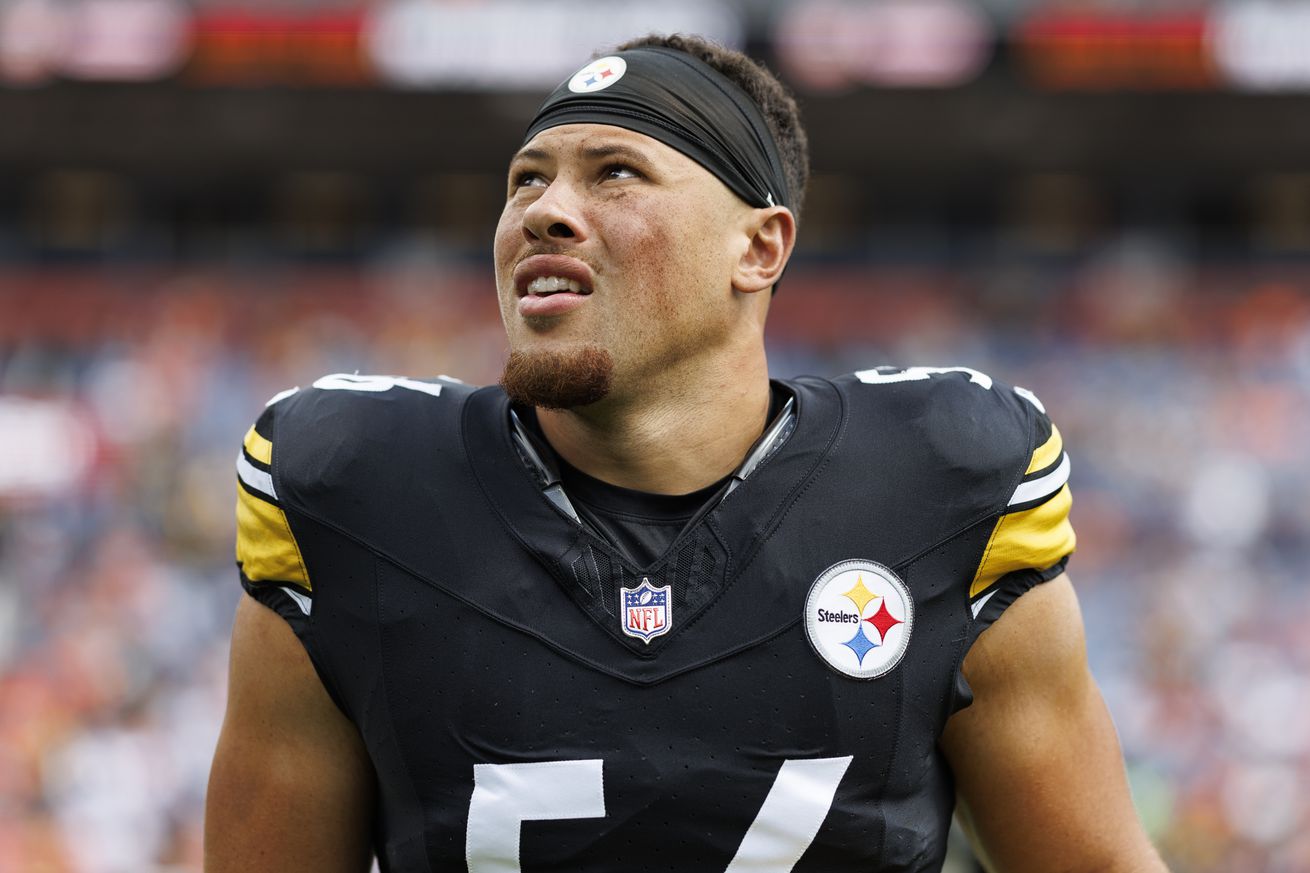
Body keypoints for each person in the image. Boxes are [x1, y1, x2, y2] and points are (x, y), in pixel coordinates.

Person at [205, 34, 1168, 873]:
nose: (544, 209)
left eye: (614, 171)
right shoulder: (355, 495)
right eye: (526, 179)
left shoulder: (940, 485)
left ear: (759, 248)